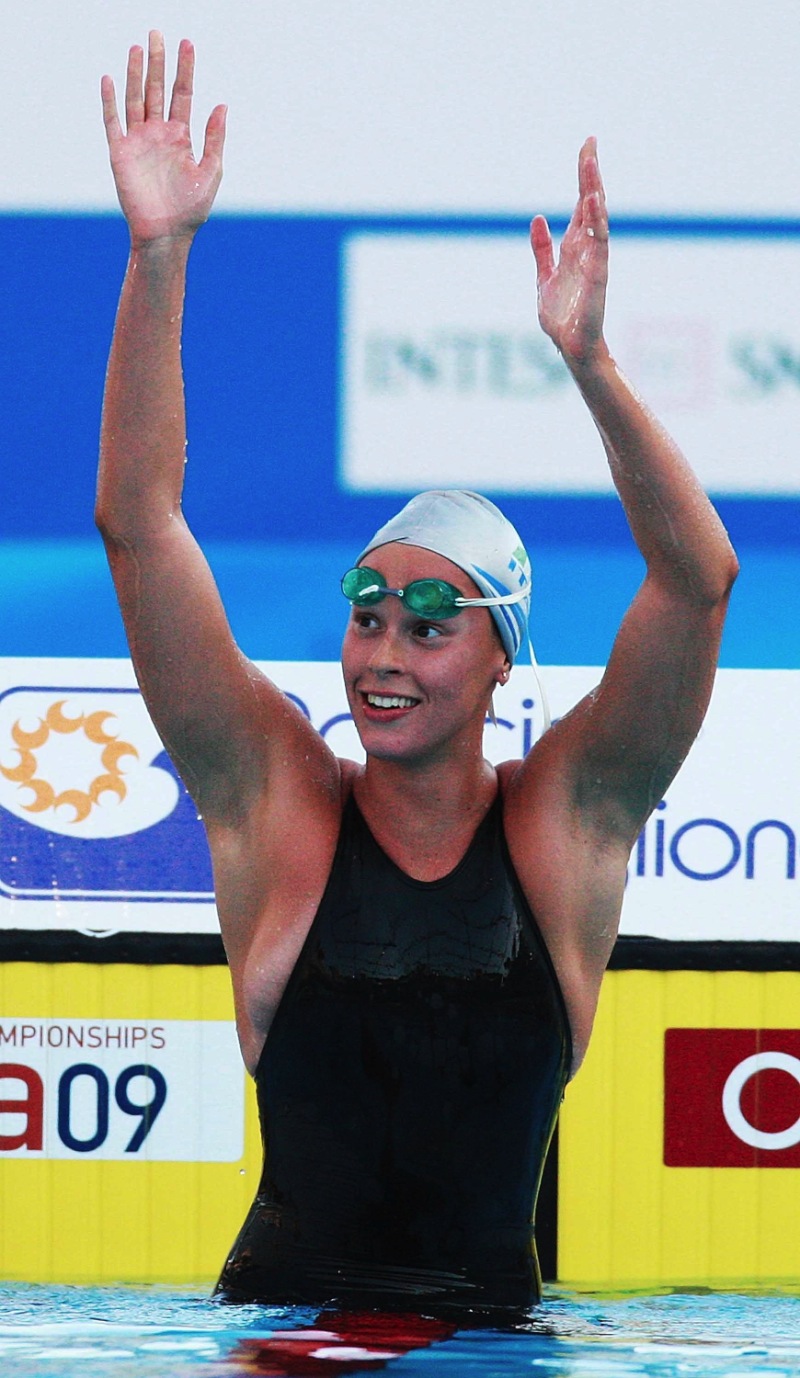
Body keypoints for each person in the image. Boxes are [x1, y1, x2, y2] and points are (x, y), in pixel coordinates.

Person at [98, 34, 738, 1322]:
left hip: (501, 1349)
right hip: (284, 1336)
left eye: (432, 622)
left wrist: (590, 363)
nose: (385, 652)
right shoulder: (276, 804)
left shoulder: (566, 824)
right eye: (369, 612)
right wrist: (159, 253)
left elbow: (697, 584)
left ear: (503, 654)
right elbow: (141, 524)